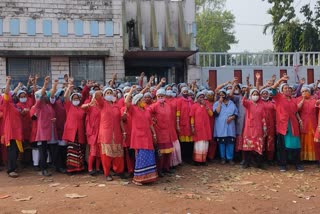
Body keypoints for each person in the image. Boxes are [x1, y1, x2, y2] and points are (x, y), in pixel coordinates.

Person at [125, 86, 158, 185]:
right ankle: (138, 178)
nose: (144, 100)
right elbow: (126, 103)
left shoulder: (146, 110)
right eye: (143, 99)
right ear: (138, 101)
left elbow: (150, 124)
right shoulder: (133, 109)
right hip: (138, 136)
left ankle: (148, 177)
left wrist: (154, 134)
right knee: (140, 156)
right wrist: (131, 91)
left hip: (147, 136)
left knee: (149, 154)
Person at [271, 74, 304, 172]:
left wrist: (300, 120)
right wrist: (281, 79)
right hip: (283, 125)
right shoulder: (279, 98)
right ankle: (282, 165)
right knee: (283, 146)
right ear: (282, 90)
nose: (287, 90)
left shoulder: (294, 100)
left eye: (289, 88)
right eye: (285, 88)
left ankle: (297, 164)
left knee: (296, 145)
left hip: (294, 125)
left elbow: (295, 112)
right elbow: (273, 88)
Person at [95, 87, 125, 181]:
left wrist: (123, 131)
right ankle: (107, 173)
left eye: (110, 93)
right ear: (104, 95)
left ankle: (119, 171)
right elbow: (97, 96)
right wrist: (99, 90)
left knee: (119, 154)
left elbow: (120, 120)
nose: (109, 94)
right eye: (107, 93)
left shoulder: (116, 106)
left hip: (116, 133)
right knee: (106, 156)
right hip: (106, 133)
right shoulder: (102, 104)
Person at [33, 76, 57, 176]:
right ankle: (44, 169)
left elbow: (51, 116)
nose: (45, 96)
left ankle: (47, 167)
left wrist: (53, 119)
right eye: (43, 95)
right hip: (42, 132)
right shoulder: (39, 104)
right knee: (43, 151)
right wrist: (45, 84)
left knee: (47, 151)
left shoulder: (48, 105)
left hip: (49, 131)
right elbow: (42, 93)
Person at [149, 88, 174, 176]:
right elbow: (148, 113)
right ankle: (159, 170)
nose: (160, 97)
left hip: (167, 132)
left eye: (162, 96)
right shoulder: (154, 106)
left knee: (168, 153)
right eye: (159, 96)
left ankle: (166, 168)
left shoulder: (168, 105)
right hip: (159, 131)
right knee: (160, 154)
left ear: (165, 96)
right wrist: (153, 120)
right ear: (156, 97)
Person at [2, 76, 23, 178]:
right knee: (12, 150)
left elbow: (12, 92)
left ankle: (14, 166)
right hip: (10, 131)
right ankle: (11, 170)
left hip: (16, 131)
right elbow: (7, 92)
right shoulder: (6, 103)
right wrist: (8, 82)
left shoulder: (14, 105)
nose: (14, 96)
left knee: (16, 150)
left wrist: (18, 86)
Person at [63, 84, 86, 174]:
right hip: (71, 132)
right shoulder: (69, 106)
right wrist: (69, 88)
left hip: (79, 132)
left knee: (79, 150)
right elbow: (65, 97)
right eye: (74, 99)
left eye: (77, 99)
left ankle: (79, 168)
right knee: (71, 151)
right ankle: (71, 169)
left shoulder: (82, 108)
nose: (75, 100)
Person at [241, 88, 267, 169]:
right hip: (249, 129)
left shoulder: (261, 105)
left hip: (258, 129)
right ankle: (246, 163)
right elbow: (243, 102)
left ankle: (259, 164)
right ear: (251, 96)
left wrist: (265, 128)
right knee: (248, 147)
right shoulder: (248, 103)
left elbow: (264, 117)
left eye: (257, 94)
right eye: (253, 94)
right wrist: (246, 93)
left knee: (259, 146)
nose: (255, 96)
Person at [213, 88, 238, 164]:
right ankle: (223, 158)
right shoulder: (216, 103)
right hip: (221, 126)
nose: (222, 96)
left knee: (230, 142)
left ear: (226, 95)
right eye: (220, 95)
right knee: (222, 143)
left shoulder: (231, 103)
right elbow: (216, 113)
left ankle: (230, 158)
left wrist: (232, 117)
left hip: (230, 126)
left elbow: (236, 114)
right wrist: (220, 103)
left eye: (223, 94)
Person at [190, 92, 213, 165]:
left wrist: (206, 107)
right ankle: (197, 160)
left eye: (203, 97)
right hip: (198, 127)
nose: (202, 99)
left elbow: (211, 114)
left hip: (206, 128)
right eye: (200, 97)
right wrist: (192, 127)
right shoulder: (194, 106)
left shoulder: (207, 105)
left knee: (205, 144)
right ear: (197, 98)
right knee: (199, 144)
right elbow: (192, 117)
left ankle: (203, 160)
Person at [297, 86, 317, 161]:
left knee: (312, 139)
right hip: (303, 122)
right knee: (303, 139)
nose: (304, 93)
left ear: (309, 92)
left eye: (306, 91)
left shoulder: (314, 100)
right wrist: (302, 99)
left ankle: (313, 158)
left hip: (313, 122)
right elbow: (297, 109)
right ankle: (304, 158)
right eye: (303, 91)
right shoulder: (298, 99)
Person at [176, 87, 194, 163]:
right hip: (182, 123)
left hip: (190, 123)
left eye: (186, 91)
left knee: (190, 142)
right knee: (183, 142)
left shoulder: (191, 100)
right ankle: (183, 158)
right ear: (181, 92)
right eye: (184, 91)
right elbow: (178, 113)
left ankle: (189, 157)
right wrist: (177, 124)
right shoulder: (179, 100)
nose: (185, 93)